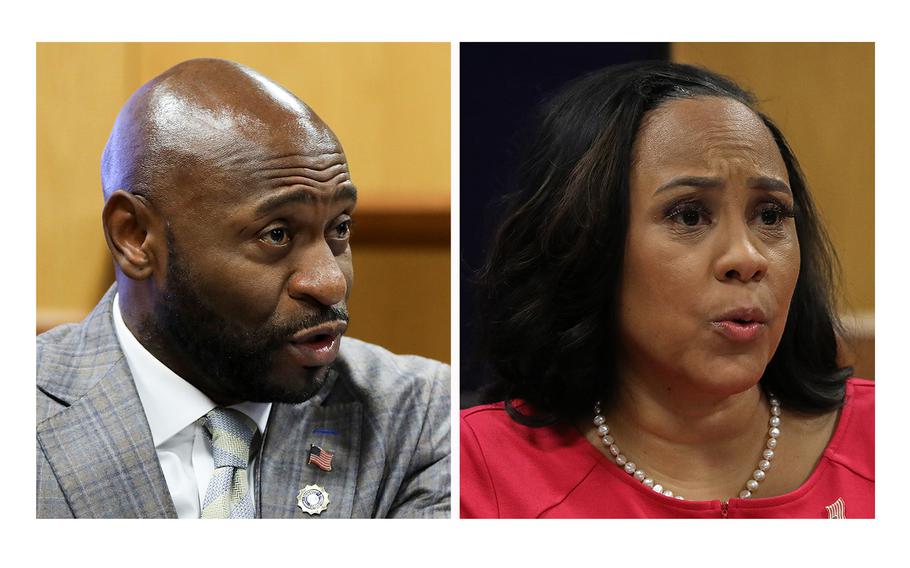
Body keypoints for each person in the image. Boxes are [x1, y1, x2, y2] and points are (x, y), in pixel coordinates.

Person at [36, 58, 450, 519]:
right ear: (135, 237)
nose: (330, 282)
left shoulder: (421, 417)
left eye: (340, 228)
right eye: (276, 235)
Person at [460, 61, 873, 518]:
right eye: (689, 215)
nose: (747, 258)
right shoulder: (475, 472)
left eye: (770, 216)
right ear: (585, 242)